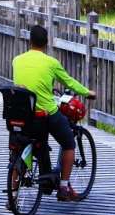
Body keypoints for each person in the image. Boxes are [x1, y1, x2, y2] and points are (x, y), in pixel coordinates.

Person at [12, 24, 96, 201]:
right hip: (44, 113)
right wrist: (87, 92)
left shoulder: (17, 60)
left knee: (18, 148)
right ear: (46, 43)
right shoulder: (51, 63)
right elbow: (69, 82)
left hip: (21, 115)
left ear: (30, 41)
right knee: (68, 143)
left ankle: (12, 195)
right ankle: (64, 187)